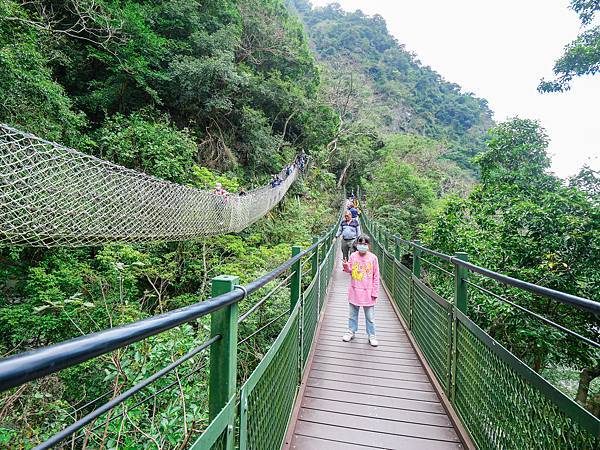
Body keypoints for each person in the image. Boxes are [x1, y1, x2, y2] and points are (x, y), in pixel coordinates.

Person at [342, 235, 380, 347]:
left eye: (365, 244)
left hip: (368, 291)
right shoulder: (353, 256)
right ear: (356, 244)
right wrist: (345, 266)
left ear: (369, 245)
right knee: (352, 314)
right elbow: (350, 270)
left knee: (370, 317)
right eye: (360, 243)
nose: (362, 246)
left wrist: (375, 292)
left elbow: (376, 276)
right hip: (355, 290)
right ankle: (351, 331)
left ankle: (372, 335)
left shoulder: (373, 258)